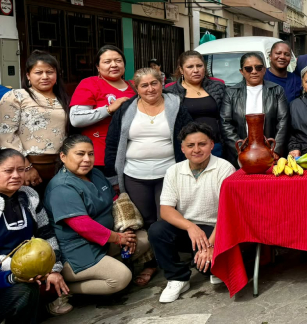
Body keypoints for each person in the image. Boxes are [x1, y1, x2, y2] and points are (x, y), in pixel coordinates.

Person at [45, 135, 150, 298]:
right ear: (63, 157)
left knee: (144, 239)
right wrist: (118, 238)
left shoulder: (95, 174)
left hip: (104, 242)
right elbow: (83, 226)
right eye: (80, 154)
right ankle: (63, 290)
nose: (87, 159)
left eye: (91, 154)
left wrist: (125, 229)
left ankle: (106, 267)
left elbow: (115, 201)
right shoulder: (61, 187)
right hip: (78, 251)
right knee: (121, 278)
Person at [149, 123, 236, 303]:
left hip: (217, 228)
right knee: (157, 230)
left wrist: (211, 246)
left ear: (211, 145)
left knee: (208, 269)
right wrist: (190, 227)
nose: (196, 150)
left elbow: (229, 213)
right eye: (190, 145)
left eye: (202, 144)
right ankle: (177, 278)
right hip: (189, 230)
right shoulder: (174, 171)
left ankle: (213, 266)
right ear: (182, 148)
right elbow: (165, 210)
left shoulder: (224, 168)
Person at [105, 67, 192, 240]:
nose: (150, 89)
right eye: (144, 85)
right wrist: (113, 177)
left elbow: (189, 136)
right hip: (135, 176)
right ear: (137, 89)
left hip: (169, 174)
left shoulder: (177, 106)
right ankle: (149, 255)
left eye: (154, 83)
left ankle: (167, 255)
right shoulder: (126, 109)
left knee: (167, 220)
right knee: (144, 220)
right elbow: (112, 142)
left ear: (162, 84)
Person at [0, 149, 63, 324]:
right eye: (8, 171)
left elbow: (46, 233)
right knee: (23, 287)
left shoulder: (29, 196)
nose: (16, 175)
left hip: (22, 271)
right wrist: (12, 272)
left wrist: (54, 268)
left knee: (33, 288)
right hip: (5, 273)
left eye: (21, 169)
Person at [0, 51, 70, 193]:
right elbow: (6, 134)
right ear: (28, 75)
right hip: (27, 166)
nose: (45, 77)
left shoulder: (63, 99)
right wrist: (25, 167)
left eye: (49, 72)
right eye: (38, 72)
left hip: (60, 167)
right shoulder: (16, 96)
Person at [70, 45, 136, 170]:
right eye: (107, 62)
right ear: (98, 67)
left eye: (118, 61)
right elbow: (76, 119)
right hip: (99, 156)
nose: (114, 65)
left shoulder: (134, 86)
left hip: (131, 155)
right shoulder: (90, 83)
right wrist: (108, 109)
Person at [221, 52, 289, 161]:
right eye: (248, 68)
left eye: (258, 67)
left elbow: (283, 121)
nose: (254, 71)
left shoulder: (276, 90)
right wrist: (241, 150)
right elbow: (226, 123)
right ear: (242, 71)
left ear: (264, 70)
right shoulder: (231, 93)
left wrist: (275, 150)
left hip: (271, 153)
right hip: (240, 154)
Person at [165, 51, 227, 160]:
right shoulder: (171, 91)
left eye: (199, 66)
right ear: (181, 70)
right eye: (190, 67)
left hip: (217, 145)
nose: (196, 70)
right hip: (188, 149)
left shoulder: (218, 87)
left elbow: (227, 118)